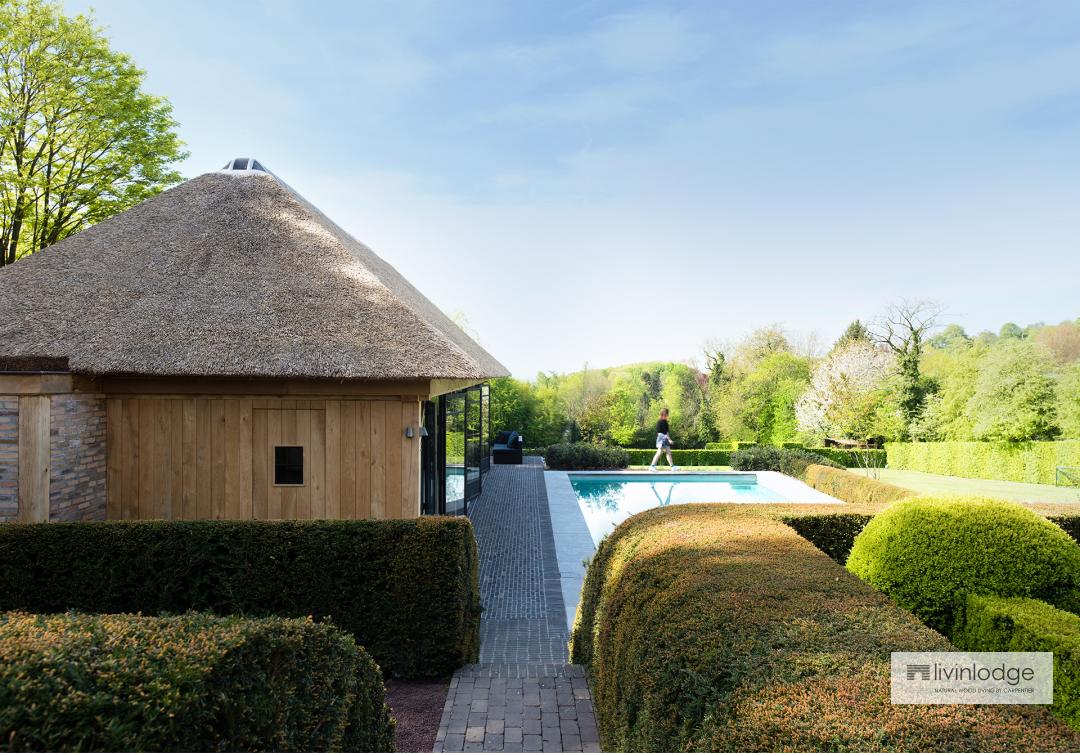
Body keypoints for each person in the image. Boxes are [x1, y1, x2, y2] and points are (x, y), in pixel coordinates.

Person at [649, 407, 679, 472]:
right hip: (661, 438)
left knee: (668, 452)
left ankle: (672, 467)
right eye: (665, 415)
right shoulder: (659, 422)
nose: (666, 416)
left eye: (666, 415)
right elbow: (659, 433)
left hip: (665, 438)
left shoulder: (665, 422)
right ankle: (652, 466)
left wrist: (669, 439)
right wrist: (668, 439)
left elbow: (667, 432)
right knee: (659, 452)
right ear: (662, 414)